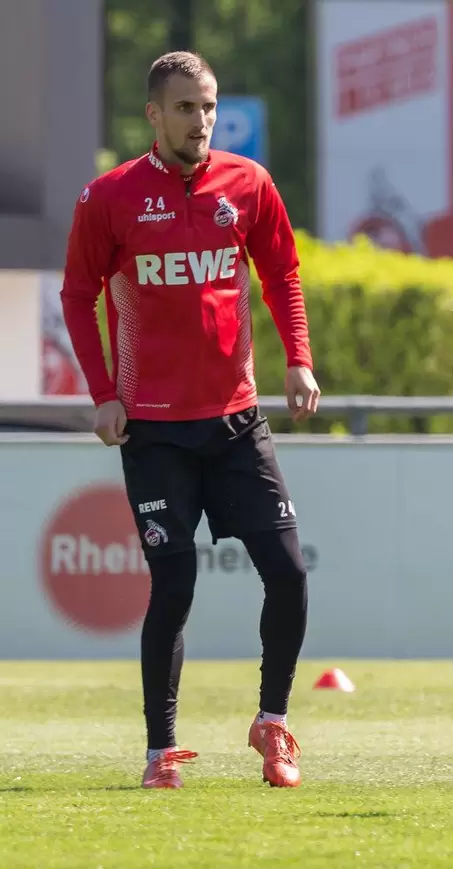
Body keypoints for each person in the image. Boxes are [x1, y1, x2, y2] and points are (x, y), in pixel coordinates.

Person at [60, 50, 320, 790]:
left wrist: (298, 358)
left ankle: (272, 724)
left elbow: (282, 273)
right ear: (153, 115)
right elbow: (79, 296)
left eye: (207, 106)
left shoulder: (249, 184)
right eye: (184, 108)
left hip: (237, 422)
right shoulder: (107, 197)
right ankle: (160, 752)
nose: (199, 120)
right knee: (173, 586)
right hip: (153, 430)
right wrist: (104, 391)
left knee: (290, 575)